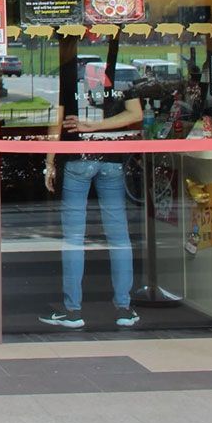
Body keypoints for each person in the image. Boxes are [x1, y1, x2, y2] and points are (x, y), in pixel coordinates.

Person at [40, 50, 142, 330]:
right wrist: (100, 127)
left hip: (77, 159)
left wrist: (49, 163)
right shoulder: (120, 71)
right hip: (112, 160)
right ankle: (124, 307)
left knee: (74, 237)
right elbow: (136, 114)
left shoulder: (68, 74)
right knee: (119, 235)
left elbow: (56, 122)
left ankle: (73, 311)